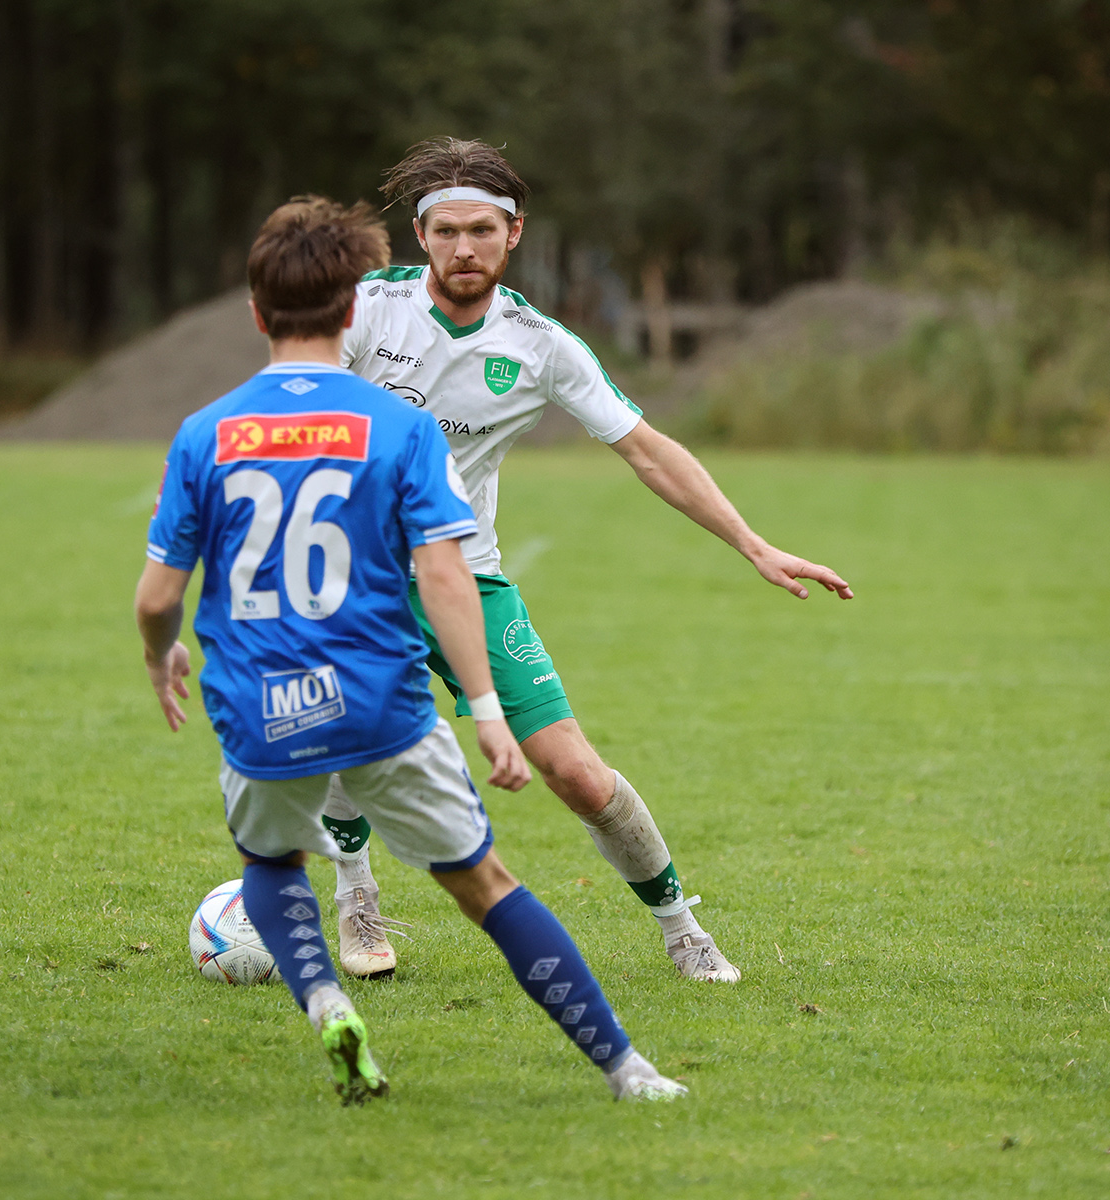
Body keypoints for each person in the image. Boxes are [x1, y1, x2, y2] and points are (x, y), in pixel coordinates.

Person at [134, 196, 687, 1104]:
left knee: (271, 865)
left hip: (255, 702)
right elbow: (443, 578)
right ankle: (628, 1071)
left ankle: (323, 1003)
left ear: (253, 311)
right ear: (354, 311)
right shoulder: (399, 427)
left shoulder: (204, 432)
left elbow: (160, 596)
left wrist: (162, 657)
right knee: (489, 888)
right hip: (380, 695)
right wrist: (485, 708)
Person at [322, 138, 854, 984]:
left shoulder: (542, 346)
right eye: (449, 231)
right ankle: (356, 895)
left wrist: (753, 544)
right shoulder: (363, 312)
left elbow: (648, 451)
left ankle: (682, 926)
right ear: (422, 237)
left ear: (515, 234)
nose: (466, 248)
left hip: (466, 574)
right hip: (350, 575)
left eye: (483, 231)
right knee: (350, 731)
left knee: (572, 770)